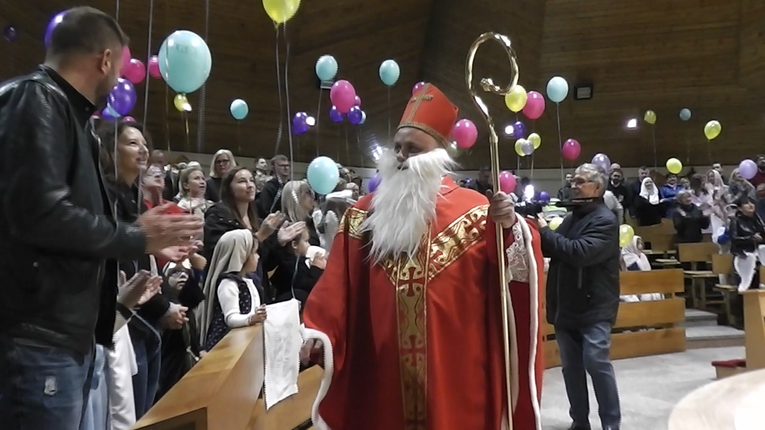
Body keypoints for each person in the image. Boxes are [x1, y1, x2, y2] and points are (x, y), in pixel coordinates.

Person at [0, 7, 203, 430]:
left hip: (63, 339)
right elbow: (41, 214)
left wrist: (143, 241)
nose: (119, 81)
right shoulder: (37, 99)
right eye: (120, 67)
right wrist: (135, 237)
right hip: (37, 338)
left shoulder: (74, 122)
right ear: (105, 60)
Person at [299, 83, 545, 430]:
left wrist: (510, 226)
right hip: (382, 374)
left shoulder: (477, 213)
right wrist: (318, 329)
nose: (400, 155)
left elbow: (513, 271)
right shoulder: (362, 216)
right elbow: (339, 283)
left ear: (436, 158)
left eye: (413, 149)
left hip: (457, 374)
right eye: (397, 146)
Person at [535, 163, 621, 430]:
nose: (574, 186)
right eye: (573, 181)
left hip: (594, 306)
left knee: (596, 362)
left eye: (580, 182)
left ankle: (610, 422)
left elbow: (579, 252)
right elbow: (553, 249)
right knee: (571, 369)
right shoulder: (574, 217)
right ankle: (579, 422)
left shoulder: (605, 220)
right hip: (567, 307)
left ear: (597, 187)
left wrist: (546, 232)